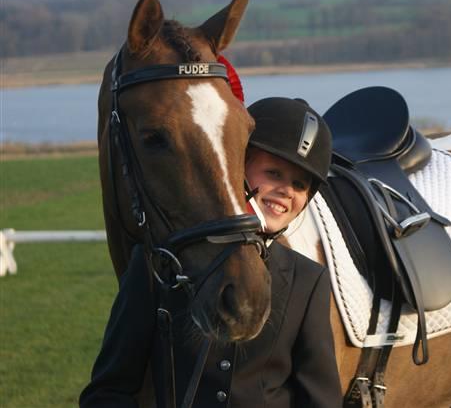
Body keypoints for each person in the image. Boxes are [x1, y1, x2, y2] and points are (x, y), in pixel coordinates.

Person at [80, 95, 341, 407]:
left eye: (299, 184)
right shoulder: (155, 264)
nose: (286, 190)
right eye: (273, 173)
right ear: (236, 167)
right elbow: (107, 391)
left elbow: (320, 400)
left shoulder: (308, 281)